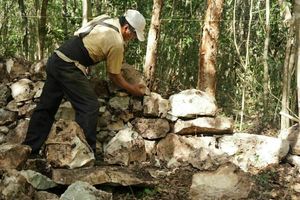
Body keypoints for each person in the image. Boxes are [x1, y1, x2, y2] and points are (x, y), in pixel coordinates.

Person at [22, 9, 146, 154]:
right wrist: (133, 89)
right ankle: (85, 154)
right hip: (68, 65)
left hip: (57, 58)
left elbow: (81, 36)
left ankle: (29, 149)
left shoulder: (105, 19)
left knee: (46, 107)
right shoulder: (117, 42)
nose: (131, 39)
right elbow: (114, 75)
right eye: (133, 35)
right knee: (89, 106)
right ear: (126, 28)